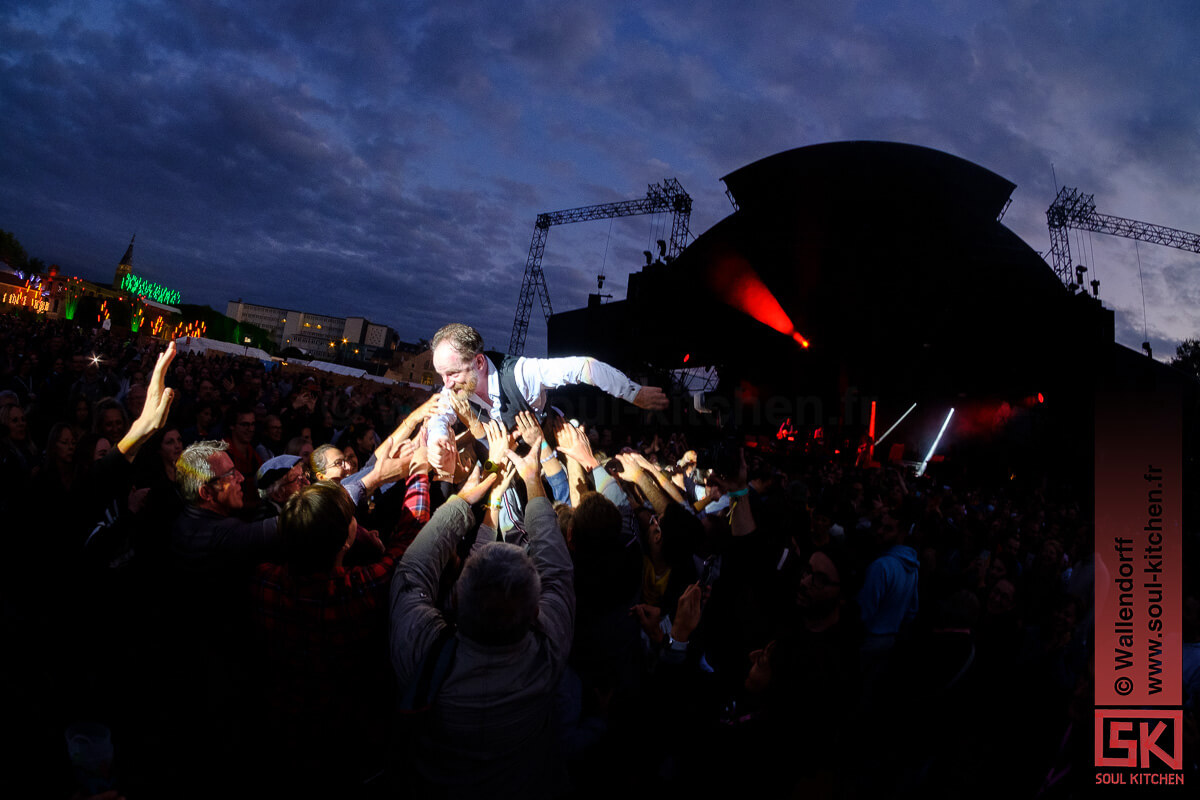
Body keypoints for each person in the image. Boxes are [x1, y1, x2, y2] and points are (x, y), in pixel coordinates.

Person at [389, 449, 574, 796]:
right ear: (536, 613)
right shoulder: (548, 654)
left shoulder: (422, 651)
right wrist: (534, 482)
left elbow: (412, 574)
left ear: (455, 601)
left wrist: (462, 502)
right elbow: (558, 572)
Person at [425, 323, 668, 476]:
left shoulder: (522, 374)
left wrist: (633, 392)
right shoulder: (453, 389)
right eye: (441, 375)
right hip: (505, 464)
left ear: (479, 363)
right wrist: (438, 438)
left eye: (452, 374)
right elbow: (439, 414)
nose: (446, 383)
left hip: (547, 449)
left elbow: (583, 367)